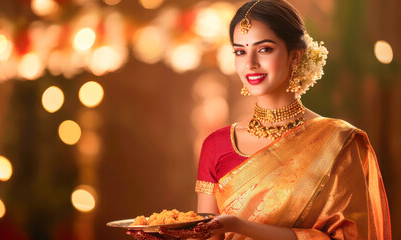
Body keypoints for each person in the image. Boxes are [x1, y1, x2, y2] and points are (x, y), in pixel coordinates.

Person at [127, 0, 392, 239]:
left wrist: (239, 226)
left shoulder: (340, 142)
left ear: (295, 55)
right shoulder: (216, 144)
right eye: (240, 51)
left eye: (264, 49)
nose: (250, 63)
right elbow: (209, 236)